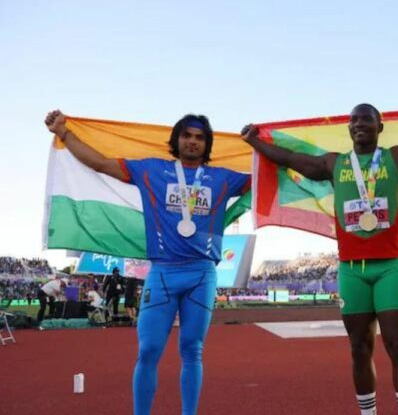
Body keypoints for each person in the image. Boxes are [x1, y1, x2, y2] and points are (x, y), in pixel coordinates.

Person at [242, 103, 398, 415]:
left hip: (389, 267)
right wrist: (255, 141)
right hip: (351, 271)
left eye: (366, 119)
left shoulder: (396, 158)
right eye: (354, 120)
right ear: (348, 129)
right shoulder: (335, 164)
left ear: (379, 127)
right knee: (359, 348)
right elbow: (290, 159)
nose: (359, 124)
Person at [45, 110, 250, 415]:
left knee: (192, 350)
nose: (193, 141)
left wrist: (268, 143)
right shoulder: (151, 170)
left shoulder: (224, 178)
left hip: (202, 274)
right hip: (163, 273)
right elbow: (100, 163)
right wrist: (64, 133)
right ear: (176, 140)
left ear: (207, 145)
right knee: (149, 350)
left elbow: (268, 178)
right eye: (187, 135)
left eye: (199, 137)